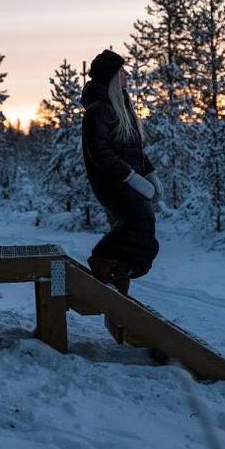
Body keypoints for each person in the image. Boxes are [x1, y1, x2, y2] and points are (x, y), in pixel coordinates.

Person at [81, 49, 162, 297]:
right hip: (110, 181)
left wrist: (150, 174)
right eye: (121, 72)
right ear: (112, 77)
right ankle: (102, 260)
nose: (126, 75)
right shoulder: (99, 110)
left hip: (123, 179)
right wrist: (131, 177)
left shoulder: (120, 106)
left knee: (137, 223)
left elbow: (132, 149)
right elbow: (100, 153)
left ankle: (118, 276)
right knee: (140, 218)